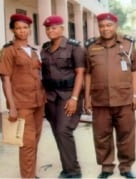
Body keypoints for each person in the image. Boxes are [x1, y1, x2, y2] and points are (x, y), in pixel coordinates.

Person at [84, 12, 136, 179]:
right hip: (100, 99)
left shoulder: (128, 45)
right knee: (102, 135)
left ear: (115, 26)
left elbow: (135, 70)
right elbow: (88, 73)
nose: (105, 29)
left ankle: (125, 167)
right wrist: (87, 97)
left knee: (126, 135)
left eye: (108, 25)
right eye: (102, 26)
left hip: (124, 98)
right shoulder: (91, 47)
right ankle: (106, 167)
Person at [0, 13, 46, 178]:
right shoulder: (9, 51)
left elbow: (39, 75)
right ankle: (27, 176)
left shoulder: (34, 51)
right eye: (18, 28)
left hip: (38, 102)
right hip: (22, 104)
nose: (22, 31)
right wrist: (11, 107)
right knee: (27, 144)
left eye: (25, 28)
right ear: (13, 30)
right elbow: (6, 80)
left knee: (35, 141)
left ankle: (31, 173)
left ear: (29, 30)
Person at [41, 15, 85, 178]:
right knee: (56, 131)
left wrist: (74, 98)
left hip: (68, 95)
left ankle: (73, 171)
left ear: (62, 28)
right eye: (47, 28)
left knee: (63, 130)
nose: (50, 31)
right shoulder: (45, 49)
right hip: (51, 97)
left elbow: (80, 73)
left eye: (53, 27)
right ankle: (68, 167)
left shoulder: (74, 48)